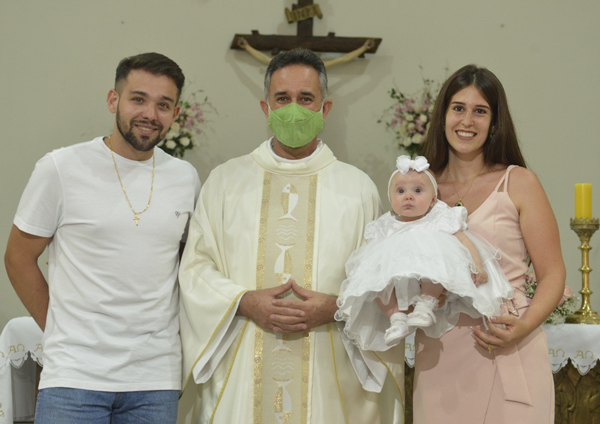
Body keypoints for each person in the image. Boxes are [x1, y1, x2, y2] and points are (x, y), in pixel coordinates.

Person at [178, 48, 405, 423]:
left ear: (325, 108)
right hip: (241, 364)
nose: (294, 109)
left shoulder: (357, 189)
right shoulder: (225, 183)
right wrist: (244, 301)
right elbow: (195, 270)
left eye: (306, 98)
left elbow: (380, 283)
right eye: (282, 98)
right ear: (266, 108)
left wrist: (335, 306)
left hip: (331, 370)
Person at [4, 52, 201, 423]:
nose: (150, 114)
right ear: (114, 100)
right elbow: (18, 258)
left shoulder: (185, 178)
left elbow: (187, 265)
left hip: (154, 379)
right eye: (138, 99)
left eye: (163, 105)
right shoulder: (61, 168)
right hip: (75, 376)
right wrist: (60, 330)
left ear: (175, 114)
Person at [414, 64, 566, 423]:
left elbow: (553, 273)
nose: (467, 121)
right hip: (439, 354)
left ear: (495, 122)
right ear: (443, 115)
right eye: (458, 108)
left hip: (508, 341)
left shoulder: (519, 182)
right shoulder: (419, 190)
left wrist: (523, 326)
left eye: (480, 111)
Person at [336, 155, 513, 351]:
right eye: (400, 191)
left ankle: (425, 304)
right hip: (396, 278)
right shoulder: (385, 225)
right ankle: (396, 318)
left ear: (433, 200)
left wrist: (477, 265)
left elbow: (464, 241)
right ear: (390, 199)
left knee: (437, 261)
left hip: (426, 278)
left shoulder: (438, 218)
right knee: (374, 278)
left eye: (418, 191)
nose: (408, 196)